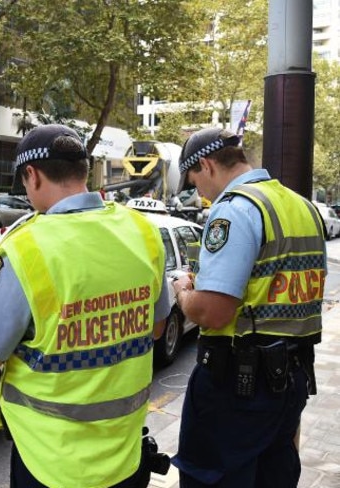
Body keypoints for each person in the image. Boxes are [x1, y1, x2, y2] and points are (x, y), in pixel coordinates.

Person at [0, 124, 171, 488]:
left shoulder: (24, 248)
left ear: (31, 175)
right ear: (82, 169)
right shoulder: (143, 231)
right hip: (126, 454)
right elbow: (156, 328)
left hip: (49, 460)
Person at [170, 127, 326, 488]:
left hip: (237, 387)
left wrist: (183, 292)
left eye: (194, 183)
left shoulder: (235, 211)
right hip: (289, 381)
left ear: (207, 166)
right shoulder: (300, 206)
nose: (199, 195)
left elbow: (213, 312)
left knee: (211, 477)